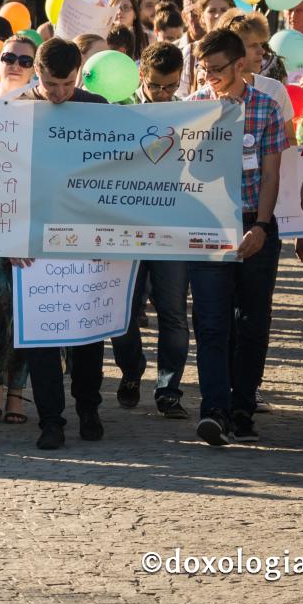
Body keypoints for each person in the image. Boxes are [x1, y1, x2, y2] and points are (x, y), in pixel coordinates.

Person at [188, 27, 285, 446]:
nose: (209, 76)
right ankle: (214, 409)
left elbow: (271, 173)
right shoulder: (192, 108)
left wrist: (261, 226)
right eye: (203, 69)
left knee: (252, 320)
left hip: (253, 221)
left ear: (240, 64)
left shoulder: (267, 107)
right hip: (207, 224)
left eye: (216, 69)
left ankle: (243, 406)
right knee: (211, 321)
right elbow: (184, 171)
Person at [24, 38, 112, 450]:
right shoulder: (17, 110)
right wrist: (13, 239)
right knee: (42, 333)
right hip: (34, 241)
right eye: (50, 85)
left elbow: (115, 173)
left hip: (87, 236)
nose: (59, 93)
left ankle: (88, 407)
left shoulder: (98, 108)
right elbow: (4, 178)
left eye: (67, 84)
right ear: (36, 74)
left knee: (87, 331)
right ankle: (50, 420)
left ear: (79, 75)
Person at [113, 41, 192, 418]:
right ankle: (132, 371)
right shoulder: (118, 110)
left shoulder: (190, 114)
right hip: (125, 229)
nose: (163, 93)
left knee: (173, 312)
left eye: (171, 86)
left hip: (171, 230)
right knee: (122, 313)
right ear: (141, 75)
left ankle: (168, 389)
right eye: (157, 85)